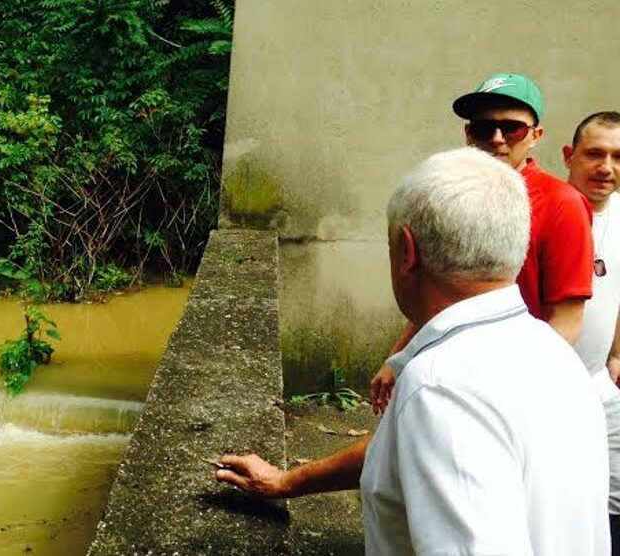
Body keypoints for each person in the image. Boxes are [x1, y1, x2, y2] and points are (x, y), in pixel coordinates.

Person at [216, 148, 610, 555]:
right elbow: (411, 450)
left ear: (407, 251)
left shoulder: (441, 387)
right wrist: (286, 481)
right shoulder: (555, 354)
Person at [370, 72, 594, 414]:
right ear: (467, 134)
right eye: (482, 128)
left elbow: (566, 319)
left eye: (512, 128)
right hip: (445, 370)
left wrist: (517, 386)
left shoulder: (561, 202)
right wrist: (399, 357)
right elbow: (440, 289)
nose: (497, 138)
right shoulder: (456, 191)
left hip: (509, 384)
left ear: (536, 136)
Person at [565, 111, 620, 554]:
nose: (607, 167)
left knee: (613, 499)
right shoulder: (548, 209)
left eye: (618, 157)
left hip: (604, 382)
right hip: (549, 386)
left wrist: (617, 354)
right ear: (570, 156)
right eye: (595, 154)